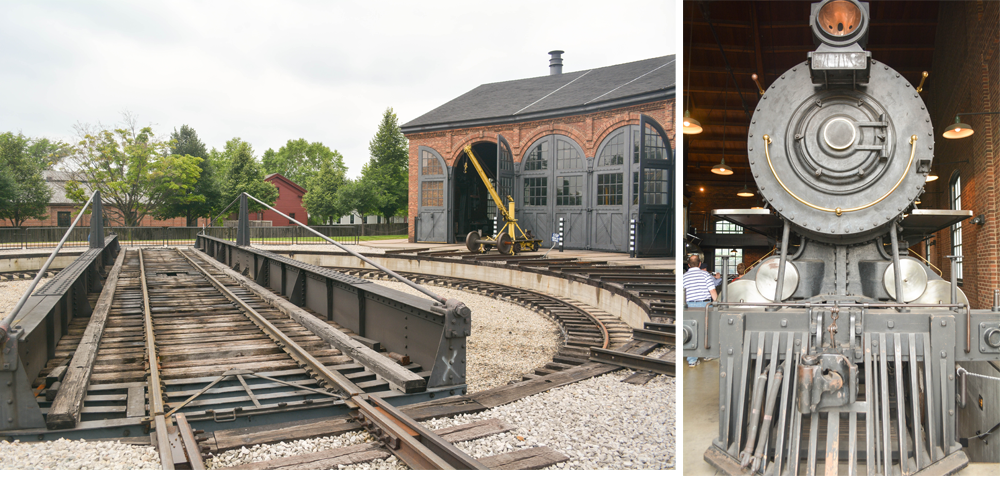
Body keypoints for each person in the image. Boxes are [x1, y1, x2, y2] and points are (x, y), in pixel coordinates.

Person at [683, 254, 717, 367]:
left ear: (688, 265)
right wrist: (717, 304)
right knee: (707, 329)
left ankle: (692, 360)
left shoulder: (684, 277)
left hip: (689, 306)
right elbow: (712, 291)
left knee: (691, 331)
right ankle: (707, 354)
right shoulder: (706, 275)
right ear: (699, 264)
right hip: (705, 305)